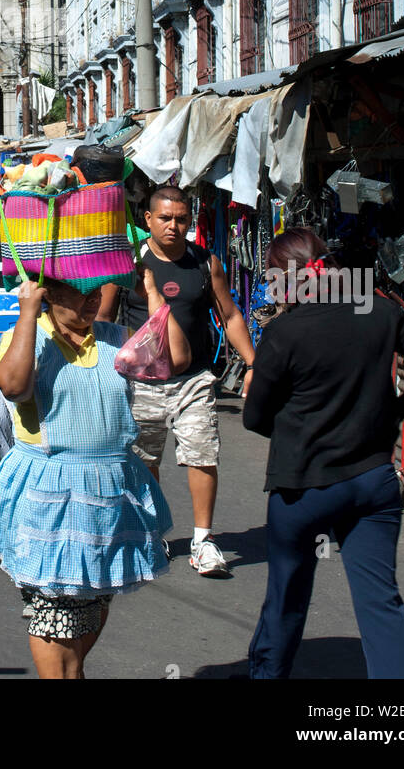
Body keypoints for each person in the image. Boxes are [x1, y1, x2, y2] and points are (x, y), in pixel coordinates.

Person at [243, 227, 404, 679]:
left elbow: (254, 418)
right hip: (373, 481)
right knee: (381, 602)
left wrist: (296, 428)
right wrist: (392, 413)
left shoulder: (283, 332)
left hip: (302, 486)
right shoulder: (379, 311)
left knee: (286, 597)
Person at [0, 272, 182, 679]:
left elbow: (174, 360)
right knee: (54, 606)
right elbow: (12, 385)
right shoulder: (28, 336)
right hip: (51, 493)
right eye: (80, 294)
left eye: (98, 293)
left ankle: (73, 671)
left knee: (94, 598)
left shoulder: (115, 337)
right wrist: (26, 314)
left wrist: (154, 296)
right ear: (50, 293)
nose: (92, 302)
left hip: (112, 489)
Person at [98, 185, 255, 578]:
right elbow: (103, 320)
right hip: (142, 382)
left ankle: (203, 541)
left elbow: (230, 315)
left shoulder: (205, 263)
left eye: (181, 219)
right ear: (148, 220)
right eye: (165, 218)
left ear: (190, 219)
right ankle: (152, 534)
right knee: (145, 460)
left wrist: (254, 363)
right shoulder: (130, 264)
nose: (173, 226)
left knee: (203, 454)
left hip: (194, 379)